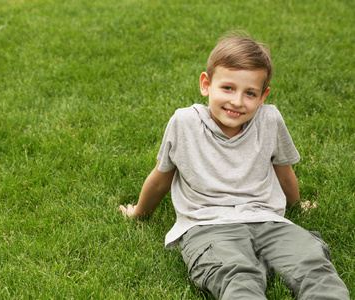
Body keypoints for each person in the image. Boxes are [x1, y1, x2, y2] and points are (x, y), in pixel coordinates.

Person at [119, 32, 350, 299]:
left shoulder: (270, 120)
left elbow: (284, 173)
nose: (237, 101)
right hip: (208, 227)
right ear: (206, 84)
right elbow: (161, 179)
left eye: (250, 93)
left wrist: (296, 206)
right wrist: (139, 212)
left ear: (263, 96)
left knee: (313, 267)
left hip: (268, 220)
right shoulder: (184, 123)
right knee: (236, 277)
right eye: (227, 88)